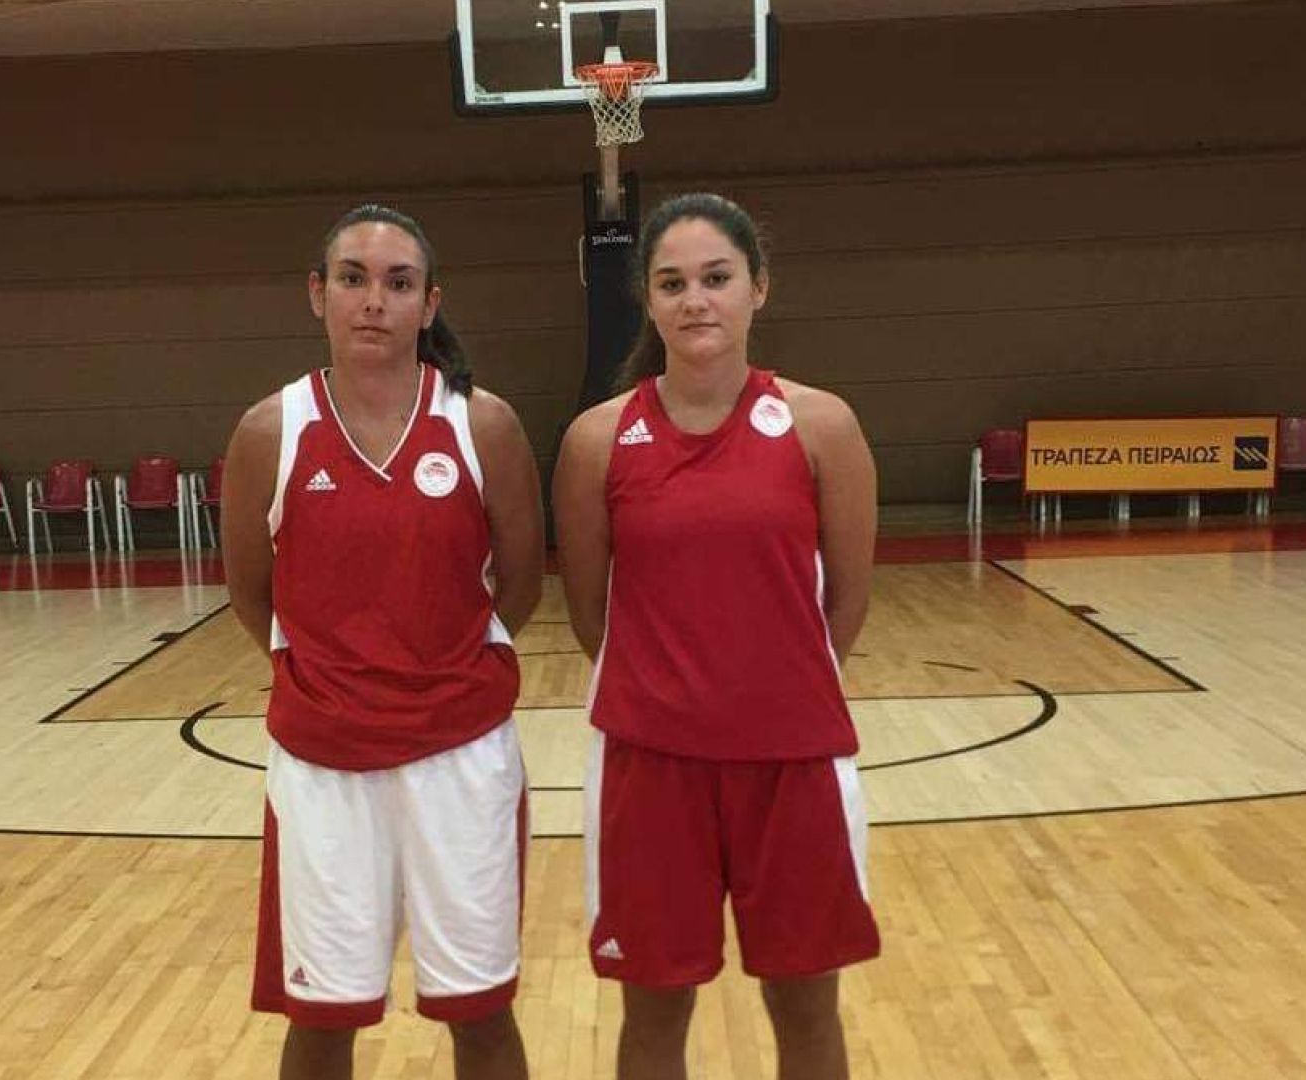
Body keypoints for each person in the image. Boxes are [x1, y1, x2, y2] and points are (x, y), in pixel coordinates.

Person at [551, 193, 880, 1080]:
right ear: (648, 300)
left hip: (795, 763)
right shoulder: (596, 441)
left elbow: (847, 602)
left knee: (806, 1006)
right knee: (655, 1010)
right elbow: (591, 614)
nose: (695, 300)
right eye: (672, 283)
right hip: (649, 766)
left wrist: (770, 691)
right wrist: (674, 694)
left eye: (716, 278)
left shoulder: (822, 425)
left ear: (757, 288)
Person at [221, 204, 543, 1080]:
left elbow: (522, 585)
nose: (374, 301)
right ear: (316, 293)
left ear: (430, 303)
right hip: (322, 768)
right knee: (322, 1020)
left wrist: (444, 670)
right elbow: (252, 594)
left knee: (481, 1014)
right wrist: (334, 682)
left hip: (462, 761)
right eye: (353, 279)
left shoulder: (484, 426)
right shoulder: (268, 432)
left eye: (399, 283)